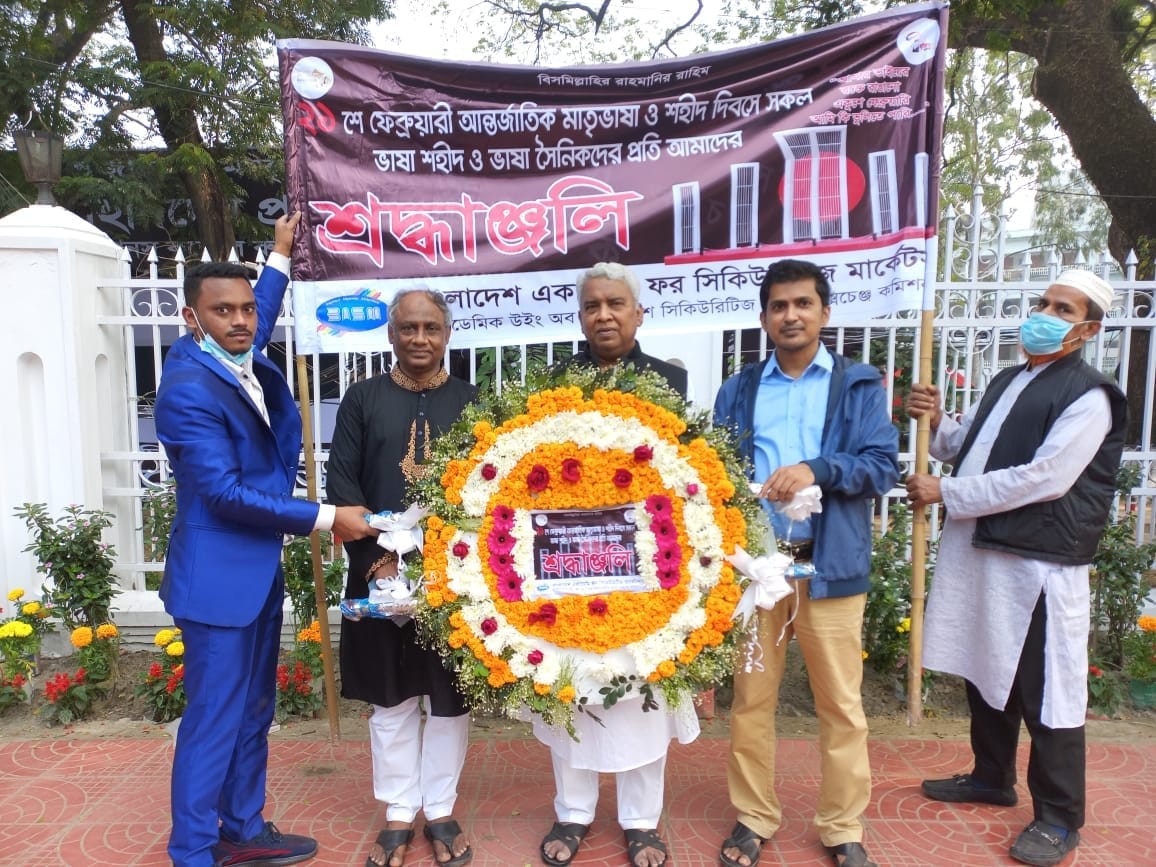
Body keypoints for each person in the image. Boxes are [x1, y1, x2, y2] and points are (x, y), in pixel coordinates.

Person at [155, 212, 377, 867]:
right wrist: (325, 516)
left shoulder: (234, 352)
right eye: (222, 311)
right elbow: (224, 493)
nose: (241, 321)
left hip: (253, 575)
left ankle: (242, 828)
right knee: (214, 719)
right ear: (192, 318)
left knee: (254, 710)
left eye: (246, 309)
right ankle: (194, 850)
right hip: (216, 584)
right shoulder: (188, 390)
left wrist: (280, 253)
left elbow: (264, 310)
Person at [906, 270, 1126, 867]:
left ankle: (1058, 817)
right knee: (986, 665)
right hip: (985, 550)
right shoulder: (1008, 379)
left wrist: (947, 493)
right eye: (1043, 302)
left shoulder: (1090, 395)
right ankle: (991, 776)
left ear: (1087, 330)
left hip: (1039, 563)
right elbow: (968, 448)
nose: (1045, 314)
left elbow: (1045, 478)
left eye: (1063, 309)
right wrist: (937, 420)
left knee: (1046, 688)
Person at [713, 259, 899, 867]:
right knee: (750, 701)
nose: (790, 315)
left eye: (803, 304)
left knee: (841, 705)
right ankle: (753, 816)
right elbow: (715, 473)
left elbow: (882, 467)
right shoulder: (739, 390)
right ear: (764, 317)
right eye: (779, 306)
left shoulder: (858, 384)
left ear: (824, 312)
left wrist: (817, 470)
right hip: (758, 573)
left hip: (830, 567)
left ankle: (842, 826)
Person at [535, 262, 697, 867]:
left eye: (615, 304)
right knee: (572, 679)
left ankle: (641, 819)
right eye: (592, 306)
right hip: (570, 557)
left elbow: (687, 471)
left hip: (646, 562)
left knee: (642, 684)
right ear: (581, 317)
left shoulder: (668, 382)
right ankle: (573, 811)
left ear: (638, 313)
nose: (603, 315)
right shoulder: (556, 382)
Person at [326, 288, 476, 867]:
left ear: (447, 334)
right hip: (377, 573)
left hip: (454, 578)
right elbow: (344, 486)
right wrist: (378, 564)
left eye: (431, 328)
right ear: (391, 335)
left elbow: (487, 490)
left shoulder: (472, 401)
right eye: (408, 328)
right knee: (389, 698)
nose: (419, 338)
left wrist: (453, 567)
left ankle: (439, 808)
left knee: (448, 698)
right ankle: (397, 807)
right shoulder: (362, 399)